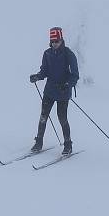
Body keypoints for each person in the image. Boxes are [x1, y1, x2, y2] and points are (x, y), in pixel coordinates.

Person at [29, 27, 79, 155]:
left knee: (62, 118)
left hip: (63, 92)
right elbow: (44, 71)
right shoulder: (47, 53)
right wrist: (37, 76)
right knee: (43, 117)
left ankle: (68, 145)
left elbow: (75, 75)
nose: (55, 43)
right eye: (53, 41)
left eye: (57, 41)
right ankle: (38, 142)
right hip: (50, 91)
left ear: (62, 40)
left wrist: (68, 85)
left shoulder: (69, 54)